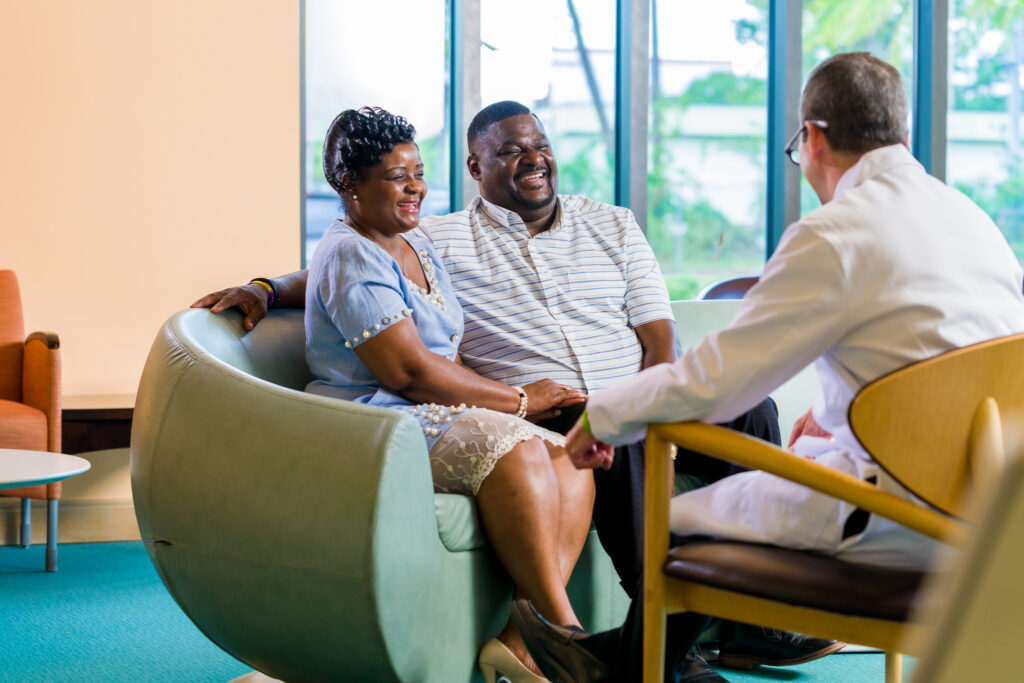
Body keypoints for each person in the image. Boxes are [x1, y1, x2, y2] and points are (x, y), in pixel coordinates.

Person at [194, 101, 838, 682]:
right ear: (475, 166)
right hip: (558, 410)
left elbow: (658, 330)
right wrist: (266, 288)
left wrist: (659, 399)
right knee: (615, 423)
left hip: (634, 393)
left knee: (752, 411)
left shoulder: (612, 224)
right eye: (508, 150)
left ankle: (758, 623)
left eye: (539, 144)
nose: (532, 159)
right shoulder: (438, 236)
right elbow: (350, 266)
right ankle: (664, 651)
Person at [511, 52, 1024, 682]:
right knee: (766, 477)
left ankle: (624, 670)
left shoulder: (837, 233)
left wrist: (604, 417)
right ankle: (619, 662)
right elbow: (950, 370)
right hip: (992, 508)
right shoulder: (972, 221)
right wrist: (842, 417)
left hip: (899, 514)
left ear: (811, 138)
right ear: (902, 134)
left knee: (683, 522)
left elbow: (715, 385)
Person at [307, 106, 594, 683]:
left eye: (418, 171)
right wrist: (518, 400)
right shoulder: (348, 252)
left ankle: (519, 642)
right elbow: (407, 373)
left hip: (434, 410)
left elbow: (447, 352)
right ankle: (571, 643)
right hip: (379, 420)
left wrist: (268, 286)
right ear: (349, 185)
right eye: (396, 176)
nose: (415, 187)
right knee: (518, 450)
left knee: (572, 457)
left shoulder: (413, 241)